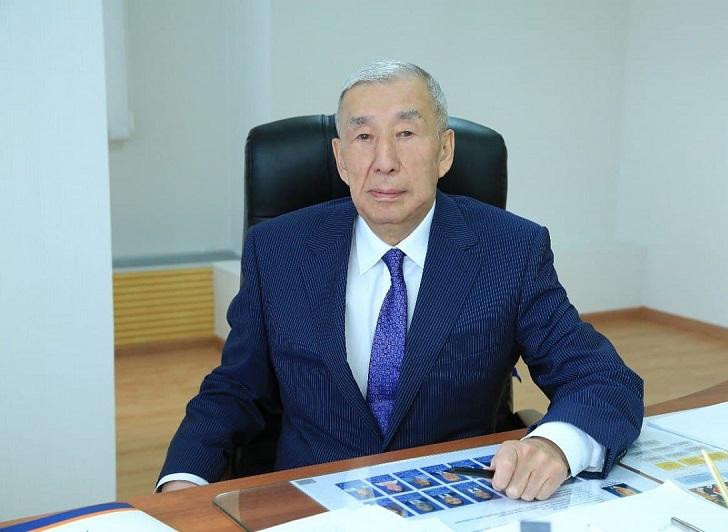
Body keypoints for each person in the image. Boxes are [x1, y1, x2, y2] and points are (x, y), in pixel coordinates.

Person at [158, 60, 644, 501]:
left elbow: (602, 379)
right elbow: (235, 390)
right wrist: (183, 483)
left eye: (407, 133)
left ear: (445, 151)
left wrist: (556, 445)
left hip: (451, 500)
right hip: (312, 505)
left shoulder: (511, 250)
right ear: (340, 158)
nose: (384, 160)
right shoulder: (277, 250)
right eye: (363, 137)